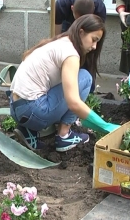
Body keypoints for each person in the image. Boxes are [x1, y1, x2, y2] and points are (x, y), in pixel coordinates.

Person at [9, 14, 119, 152]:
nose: (95, 46)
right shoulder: (71, 53)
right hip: (34, 112)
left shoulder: (60, 42)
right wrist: (105, 126)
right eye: (93, 40)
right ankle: (64, 135)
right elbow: (73, 102)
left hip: (15, 109)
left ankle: (28, 131)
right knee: (85, 78)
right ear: (81, 32)